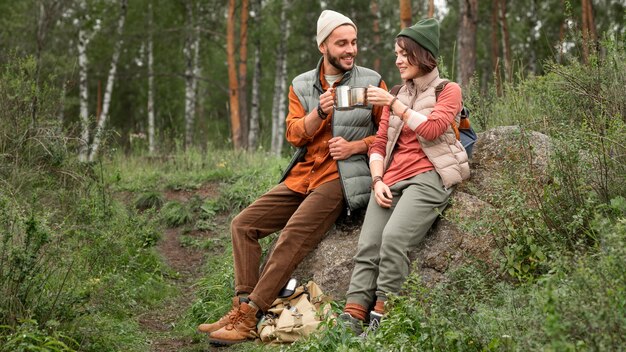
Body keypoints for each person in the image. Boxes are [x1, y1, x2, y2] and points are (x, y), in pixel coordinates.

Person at [198, 10, 388, 345]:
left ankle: (249, 318)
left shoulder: (371, 80)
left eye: (354, 42)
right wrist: (320, 112)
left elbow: (390, 134)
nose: (351, 50)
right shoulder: (301, 84)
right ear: (322, 46)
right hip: (303, 175)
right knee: (243, 224)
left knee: (290, 237)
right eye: (341, 43)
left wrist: (356, 145)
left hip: (340, 178)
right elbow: (294, 133)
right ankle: (241, 305)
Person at [339, 18, 470, 335]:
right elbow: (380, 143)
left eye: (403, 54)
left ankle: (384, 314)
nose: (397, 60)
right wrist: (377, 179)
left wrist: (393, 104)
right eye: (396, 54)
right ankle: (352, 315)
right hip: (390, 180)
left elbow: (433, 128)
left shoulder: (447, 90)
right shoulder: (396, 91)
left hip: (429, 176)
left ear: (422, 55)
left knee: (394, 240)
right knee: (368, 244)